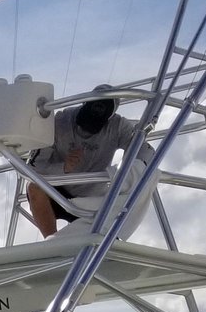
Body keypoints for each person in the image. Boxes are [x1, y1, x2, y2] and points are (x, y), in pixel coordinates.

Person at [27, 95, 136, 237]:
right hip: (57, 191)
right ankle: (52, 244)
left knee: (121, 199)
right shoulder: (60, 121)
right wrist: (63, 168)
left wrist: (119, 174)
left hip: (92, 197)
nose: (85, 133)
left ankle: (100, 247)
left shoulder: (119, 126)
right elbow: (33, 169)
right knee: (34, 186)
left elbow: (142, 152)